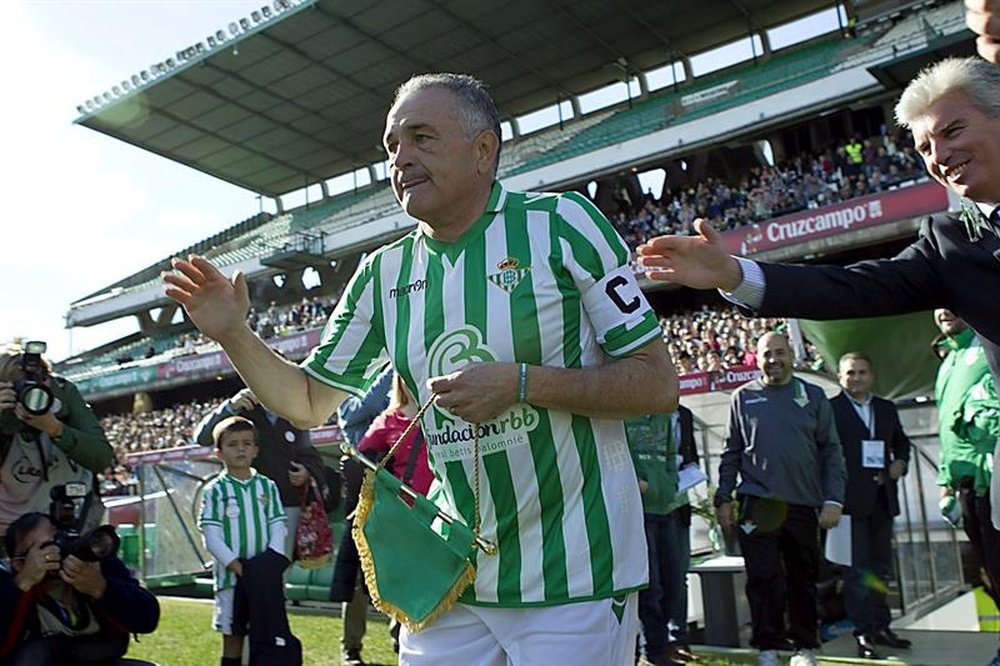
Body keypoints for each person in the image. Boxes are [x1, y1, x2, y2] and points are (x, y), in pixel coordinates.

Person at [165, 72, 677, 666]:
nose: (400, 160)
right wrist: (234, 333)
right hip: (450, 575)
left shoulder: (563, 226)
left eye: (422, 138)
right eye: (391, 146)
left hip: (575, 576)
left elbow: (657, 383)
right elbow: (308, 400)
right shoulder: (382, 274)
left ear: (483, 150)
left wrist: (522, 383)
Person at [636, 56, 1000, 384]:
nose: (939, 155)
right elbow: (848, 289)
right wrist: (734, 275)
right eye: (924, 148)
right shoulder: (949, 243)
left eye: (952, 131)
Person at [715, 333, 845, 666]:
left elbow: (831, 451)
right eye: (766, 354)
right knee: (762, 578)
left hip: (803, 503)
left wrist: (834, 499)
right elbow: (731, 451)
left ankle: (805, 646)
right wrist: (723, 497)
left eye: (780, 353)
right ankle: (767, 647)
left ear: (791, 355)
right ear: (755, 358)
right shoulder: (743, 397)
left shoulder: (813, 396)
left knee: (802, 578)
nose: (773, 359)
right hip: (755, 503)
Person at [830, 352, 912, 659]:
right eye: (850, 373)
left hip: (882, 500)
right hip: (850, 503)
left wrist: (900, 461)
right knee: (856, 573)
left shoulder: (886, 408)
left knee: (881, 569)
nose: (857, 378)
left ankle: (881, 626)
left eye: (862, 372)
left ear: (872, 376)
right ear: (840, 377)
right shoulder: (831, 410)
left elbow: (901, 442)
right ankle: (863, 632)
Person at [0, 512, 160, 665]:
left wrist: (100, 588)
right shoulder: (8, 586)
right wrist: (22, 583)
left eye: (57, 540)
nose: (56, 551)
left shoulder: (97, 566)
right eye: (44, 548)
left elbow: (147, 618)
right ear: (19, 563)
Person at [194, 386, 326, 560]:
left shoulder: (293, 412)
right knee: (242, 565)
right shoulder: (242, 407)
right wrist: (230, 407)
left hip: (286, 503)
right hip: (242, 503)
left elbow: (307, 451)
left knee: (278, 567)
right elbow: (202, 437)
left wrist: (307, 470)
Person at [198, 416, 288, 666]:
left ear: (256, 450)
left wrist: (268, 564)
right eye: (233, 444)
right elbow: (211, 536)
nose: (241, 448)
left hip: (264, 579)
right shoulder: (215, 491)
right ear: (219, 452)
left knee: (268, 634)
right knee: (233, 637)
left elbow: (278, 526)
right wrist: (239, 568)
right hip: (232, 579)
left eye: (247, 443)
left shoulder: (267, 486)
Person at [0, 347, 112, 543]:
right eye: (19, 387)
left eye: (39, 382)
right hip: (10, 532)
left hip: (75, 522)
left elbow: (101, 457)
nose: (31, 393)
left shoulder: (63, 394)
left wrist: (56, 428)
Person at [933, 309, 1000, 608]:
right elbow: (945, 424)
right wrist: (945, 481)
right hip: (965, 485)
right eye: (937, 304)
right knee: (989, 569)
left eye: (951, 301)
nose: (943, 310)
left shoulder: (989, 347)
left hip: (992, 482)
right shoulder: (949, 360)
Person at [626, 402, 699, 666]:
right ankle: (652, 653)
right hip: (638, 513)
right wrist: (637, 484)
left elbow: (672, 458)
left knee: (673, 580)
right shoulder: (622, 414)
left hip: (668, 508)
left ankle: (665, 646)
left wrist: (664, 487)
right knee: (649, 587)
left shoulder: (664, 417)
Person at [331, 367, 392, 666]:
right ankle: (351, 646)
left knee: (398, 569)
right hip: (363, 498)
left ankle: (400, 635)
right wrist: (394, 366)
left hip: (396, 492)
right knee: (357, 576)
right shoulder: (349, 387)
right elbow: (362, 409)